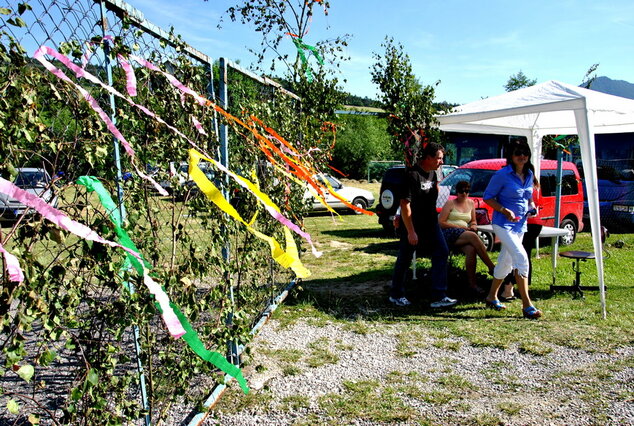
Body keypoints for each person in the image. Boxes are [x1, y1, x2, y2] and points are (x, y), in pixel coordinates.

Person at [389, 142, 458, 309]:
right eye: (439, 158)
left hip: (431, 224)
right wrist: (411, 232)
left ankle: (438, 296)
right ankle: (396, 294)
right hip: (412, 224)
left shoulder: (433, 174)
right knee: (405, 258)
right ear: (428, 157)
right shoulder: (411, 175)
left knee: (442, 251)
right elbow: (405, 204)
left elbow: (431, 197)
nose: (441, 162)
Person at [483, 141, 542, 319]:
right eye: (518, 153)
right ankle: (527, 305)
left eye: (525, 153)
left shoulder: (530, 174)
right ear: (511, 156)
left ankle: (491, 297)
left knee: (505, 262)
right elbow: (488, 197)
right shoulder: (502, 175)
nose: (522, 156)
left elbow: (528, 198)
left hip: (520, 224)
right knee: (521, 258)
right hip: (502, 224)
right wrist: (503, 210)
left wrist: (532, 207)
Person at [438, 180, 496, 296]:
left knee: (471, 249)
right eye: (461, 191)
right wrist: (461, 227)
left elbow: (473, 220)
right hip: (449, 232)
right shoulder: (450, 203)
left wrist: (473, 225)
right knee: (473, 236)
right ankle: (492, 267)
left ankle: (472, 284)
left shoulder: (470, 203)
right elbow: (441, 222)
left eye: (466, 191)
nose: (463, 194)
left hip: (464, 234)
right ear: (457, 192)